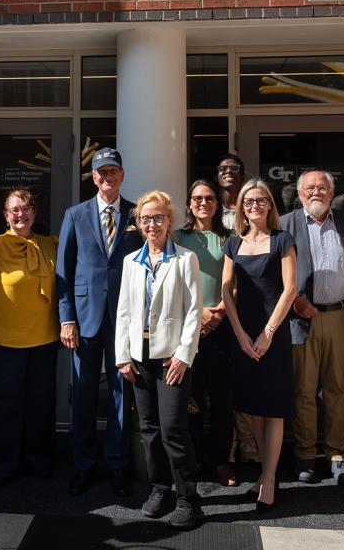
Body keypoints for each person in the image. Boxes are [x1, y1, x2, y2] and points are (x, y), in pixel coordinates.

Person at [57, 147, 142, 497]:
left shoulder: (137, 214)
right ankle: (84, 464)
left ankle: (118, 465)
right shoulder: (75, 215)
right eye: (101, 172)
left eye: (113, 172)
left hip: (124, 320)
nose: (108, 178)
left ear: (122, 175)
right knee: (85, 394)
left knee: (122, 394)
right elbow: (64, 269)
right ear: (93, 177)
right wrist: (67, 319)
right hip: (86, 319)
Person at [115, 190, 204, 530]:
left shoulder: (185, 259)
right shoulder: (131, 262)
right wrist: (123, 357)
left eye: (158, 217)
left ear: (170, 220)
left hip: (171, 359)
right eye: (145, 218)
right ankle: (160, 488)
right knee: (149, 429)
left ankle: (188, 499)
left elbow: (194, 312)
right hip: (139, 360)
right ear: (138, 224)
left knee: (173, 430)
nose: (152, 224)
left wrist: (184, 355)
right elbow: (124, 312)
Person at [280, 170, 344, 486]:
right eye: (309, 188)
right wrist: (294, 302)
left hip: (339, 315)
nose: (316, 192)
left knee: (337, 389)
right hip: (302, 317)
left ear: (332, 192)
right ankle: (305, 455)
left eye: (322, 187)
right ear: (300, 194)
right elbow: (275, 273)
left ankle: (338, 456)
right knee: (303, 390)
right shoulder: (286, 224)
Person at [0, 189, 59, 484]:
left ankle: (38, 461)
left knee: (40, 405)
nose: (20, 214)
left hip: (45, 340)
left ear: (34, 213)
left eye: (26, 208)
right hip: (1, 341)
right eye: (14, 210)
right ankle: (0, 466)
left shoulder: (51, 245)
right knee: (3, 407)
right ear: (6, 216)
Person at [221, 178, 297, 512]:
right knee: (254, 406)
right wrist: (239, 334)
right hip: (244, 330)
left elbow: (290, 289)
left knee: (274, 407)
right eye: (248, 201)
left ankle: (268, 479)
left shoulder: (283, 240)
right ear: (241, 207)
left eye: (260, 200)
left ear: (270, 205)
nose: (254, 206)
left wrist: (267, 332)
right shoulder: (233, 243)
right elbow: (226, 290)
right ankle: (267, 475)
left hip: (273, 332)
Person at [173, 179, 235, 486]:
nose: (203, 202)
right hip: (188, 327)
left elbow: (236, 281)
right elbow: (171, 284)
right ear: (189, 203)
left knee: (222, 398)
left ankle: (221, 460)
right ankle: (195, 459)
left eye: (209, 198)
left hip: (221, 327)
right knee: (191, 399)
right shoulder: (177, 237)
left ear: (217, 203)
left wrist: (219, 312)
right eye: (197, 198)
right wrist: (197, 316)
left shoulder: (229, 238)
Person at [214, 153, 258, 465]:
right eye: (223, 169)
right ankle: (224, 452)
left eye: (234, 169)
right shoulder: (209, 211)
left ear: (242, 175)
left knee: (245, 380)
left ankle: (251, 450)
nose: (229, 173)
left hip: (248, 309)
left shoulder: (252, 211)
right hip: (215, 312)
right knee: (220, 387)